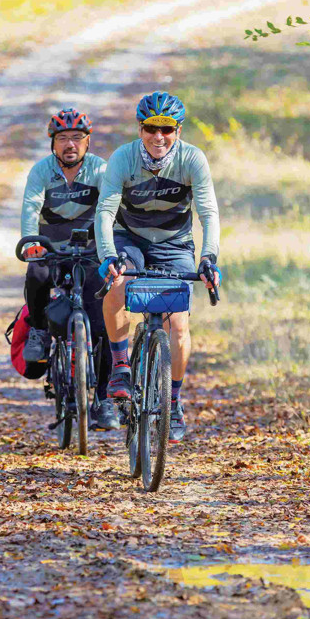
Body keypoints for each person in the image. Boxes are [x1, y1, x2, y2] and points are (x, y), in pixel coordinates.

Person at [95, 91, 221, 442]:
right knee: (118, 284)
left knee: (178, 325)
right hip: (128, 238)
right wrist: (108, 255)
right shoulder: (122, 159)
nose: (158, 136)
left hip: (174, 244)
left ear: (177, 131)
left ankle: (174, 400)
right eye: (151, 128)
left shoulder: (193, 160)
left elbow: (208, 213)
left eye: (167, 128)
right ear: (140, 129)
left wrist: (209, 258)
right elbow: (105, 212)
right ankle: (120, 367)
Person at [19, 108, 117, 431]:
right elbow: (30, 210)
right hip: (51, 247)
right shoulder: (41, 172)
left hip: (90, 249)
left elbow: (109, 211)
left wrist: (108, 251)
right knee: (36, 274)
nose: (70, 144)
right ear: (53, 144)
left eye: (77, 138)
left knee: (101, 323)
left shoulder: (101, 170)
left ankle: (103, 400)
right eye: (62, 138)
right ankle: (39, 329)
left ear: (88, 142)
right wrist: (31, 243)